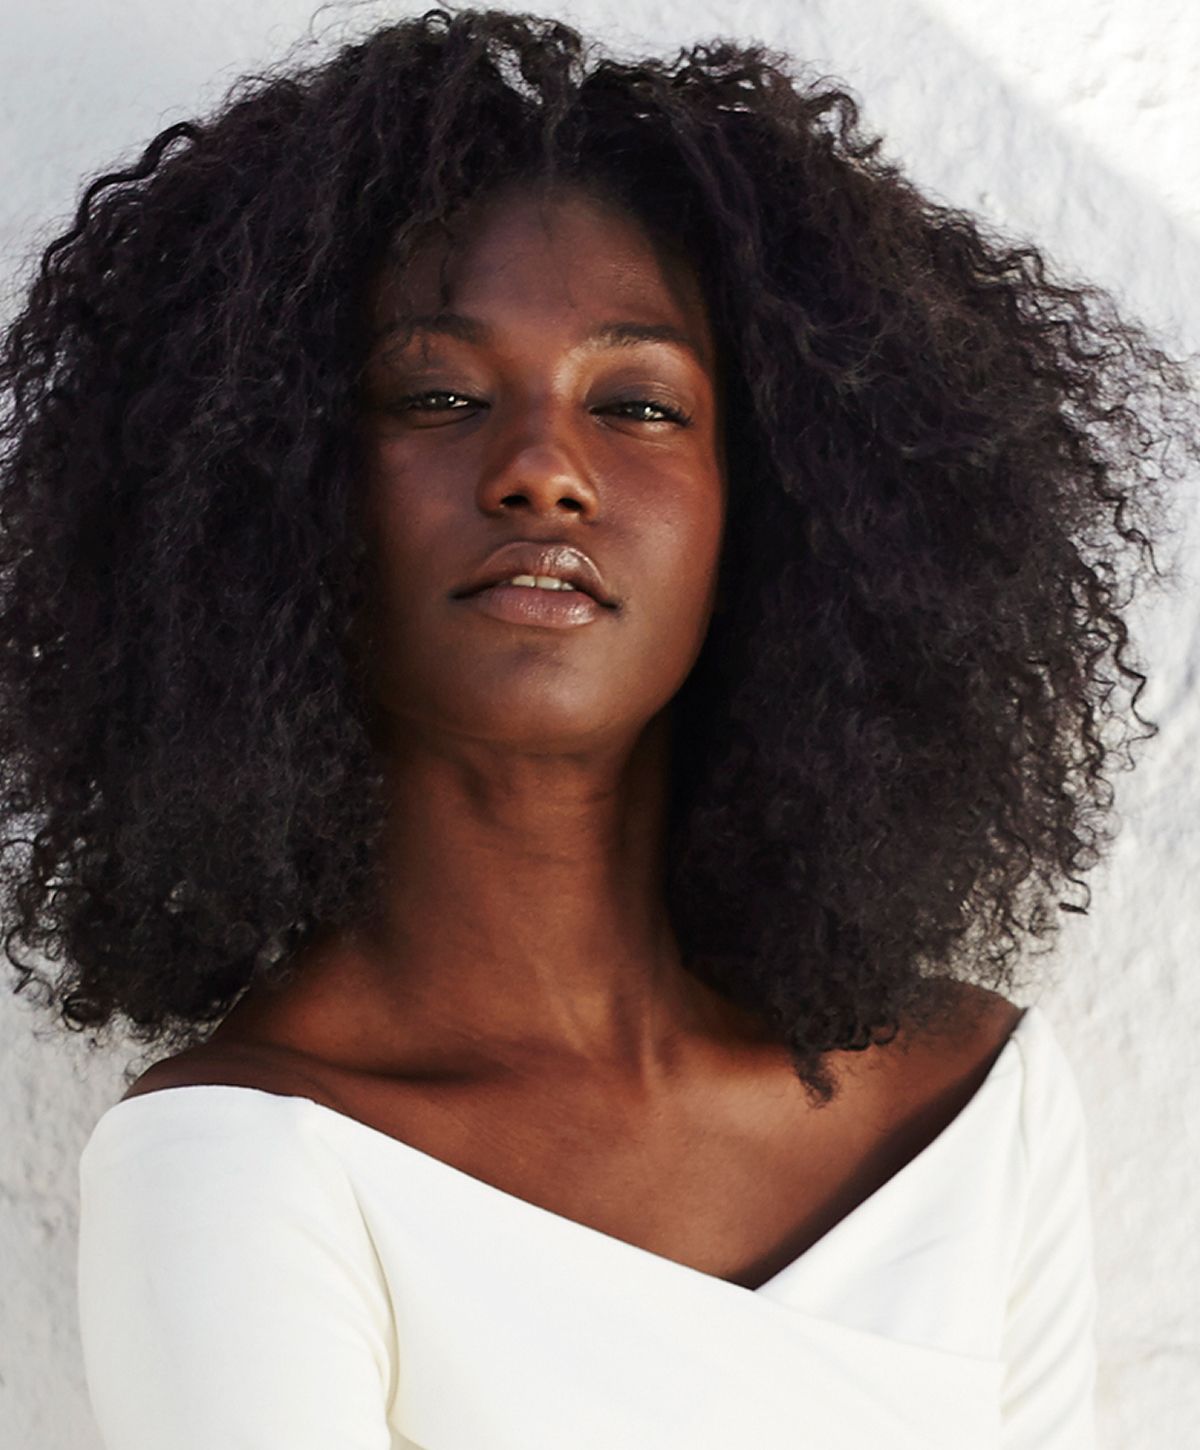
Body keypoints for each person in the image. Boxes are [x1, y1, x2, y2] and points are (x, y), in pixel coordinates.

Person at [1, 7, 1195, 1447]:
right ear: (273, 490)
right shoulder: (242, 1160)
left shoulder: (977, 1111)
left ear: (784, 511)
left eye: (636, 402)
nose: (542, 471)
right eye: (437, 393)